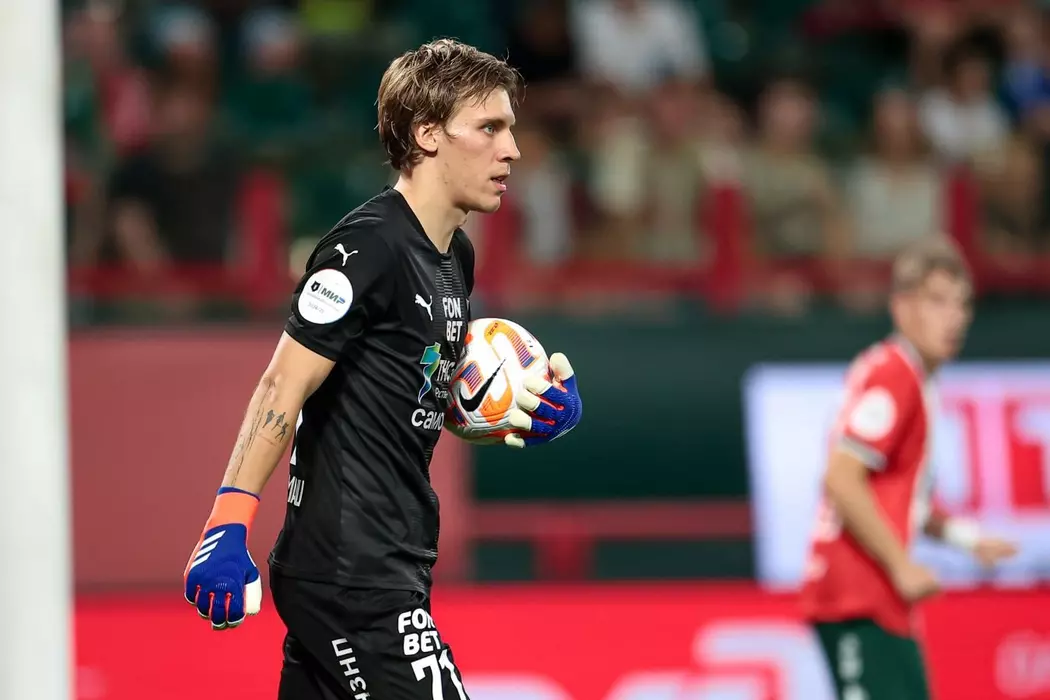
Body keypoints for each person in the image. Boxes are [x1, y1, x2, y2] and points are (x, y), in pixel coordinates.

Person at [182, 39, 583, 699]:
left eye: (510, 128)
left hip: (386, 565)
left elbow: (409, 394)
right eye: (489, 128)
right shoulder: (366, 246)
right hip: (353, 575)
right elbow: (284, 382)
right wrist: (229, 520)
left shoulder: (454, 257)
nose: (512, 149)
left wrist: (519, 407)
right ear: (427, 134)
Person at [800, 237, 1018, 700]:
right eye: (937, 301)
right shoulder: (896, 375)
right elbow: (841, 478)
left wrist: (968, 540)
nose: (955, 318)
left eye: (962, 304)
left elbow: (904, 500)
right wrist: (901, 566)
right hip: (857, 594)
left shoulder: (911, 378)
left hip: (877, 596)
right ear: (901, 308)